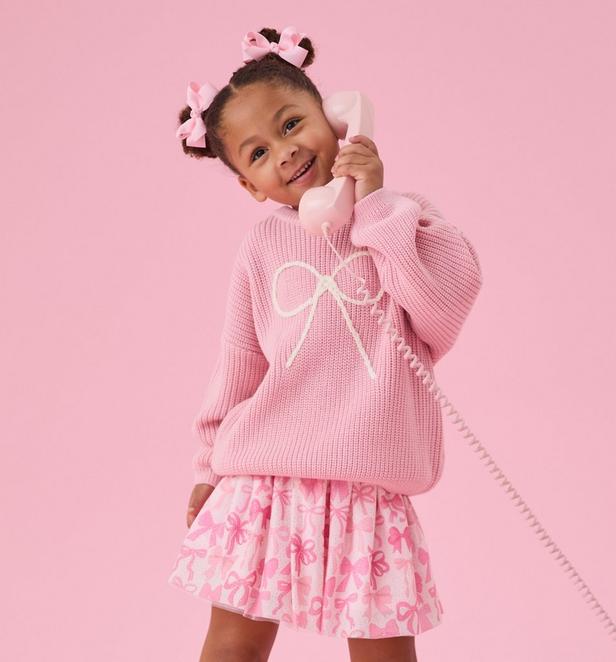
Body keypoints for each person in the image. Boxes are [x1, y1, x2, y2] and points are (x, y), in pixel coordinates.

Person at [167, 24, 483, 662]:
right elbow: (238, 367)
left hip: (369, 488)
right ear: (251, 187)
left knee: (384, 654)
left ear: (337, 118)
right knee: (232, 647)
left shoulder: (405, 220)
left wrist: (375, 209)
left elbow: (443, 311)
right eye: (256, 154)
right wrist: (207, 469)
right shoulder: (262, 247)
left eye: (290, 125)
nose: (282, 153)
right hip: (265, 482)